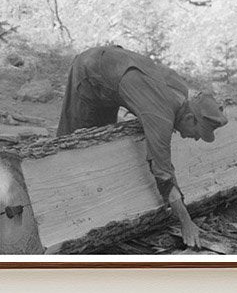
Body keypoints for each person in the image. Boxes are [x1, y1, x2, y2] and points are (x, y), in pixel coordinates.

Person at [56, 45, 227, 249]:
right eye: (198, 134)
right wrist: (186, 223)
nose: (196, 139)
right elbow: (163, 174)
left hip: (112, 71)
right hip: (90, 71)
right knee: (75, 148)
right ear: (190, 118)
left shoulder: (181, 91)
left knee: (103, 150)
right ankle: (60, 211)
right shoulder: (161, 115)